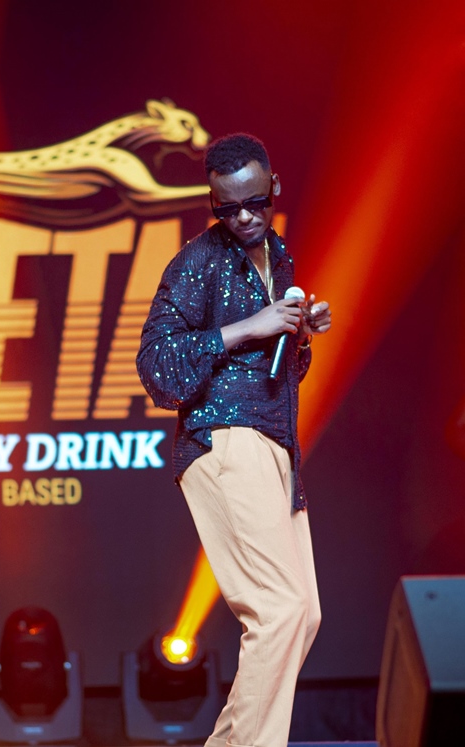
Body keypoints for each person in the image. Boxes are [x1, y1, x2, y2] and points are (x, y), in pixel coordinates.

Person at [136, 132, 332, 747]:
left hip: (275, 446)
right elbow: (157, 369)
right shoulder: (197, 262)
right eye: (226, 208)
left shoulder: (279, 257)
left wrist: (299, 335)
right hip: (224, 439)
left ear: (274, 187)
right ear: (213, 203)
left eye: (253, 203)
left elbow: (275, 374)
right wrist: (250, 326)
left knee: (303, 615)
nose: (242, 217)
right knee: (278, 611)